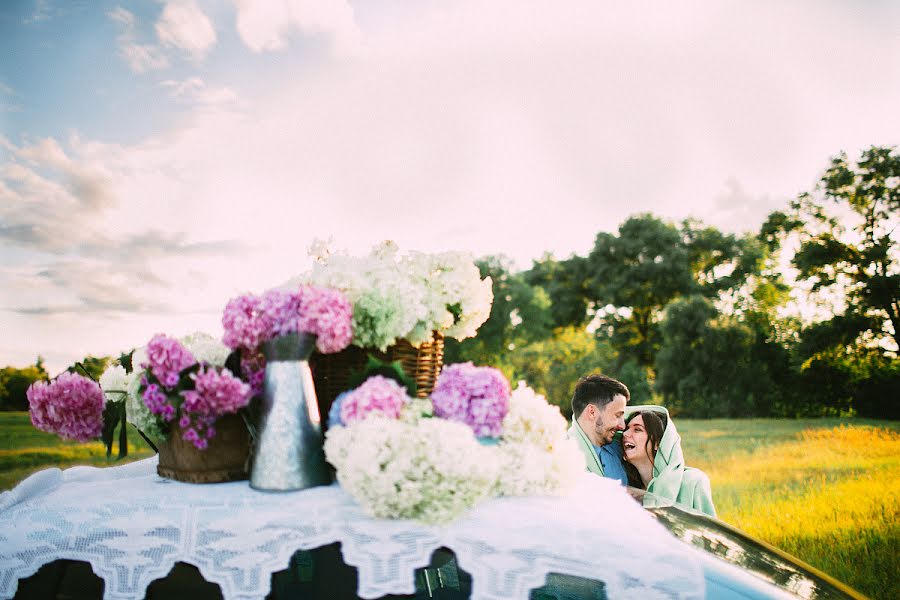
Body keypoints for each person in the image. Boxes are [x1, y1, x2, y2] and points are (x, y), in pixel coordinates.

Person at [621, 405, 716, 517]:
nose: (625, 434)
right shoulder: (628, 490)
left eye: (637, 429)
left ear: (657, 443)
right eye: (627, 428)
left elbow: (708, 531)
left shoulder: (693, 481)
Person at [567, 374, 629, 485]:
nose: (623, 426)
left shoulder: (622, 446)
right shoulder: (564, 458)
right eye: (617, 415)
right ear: (592, 412)